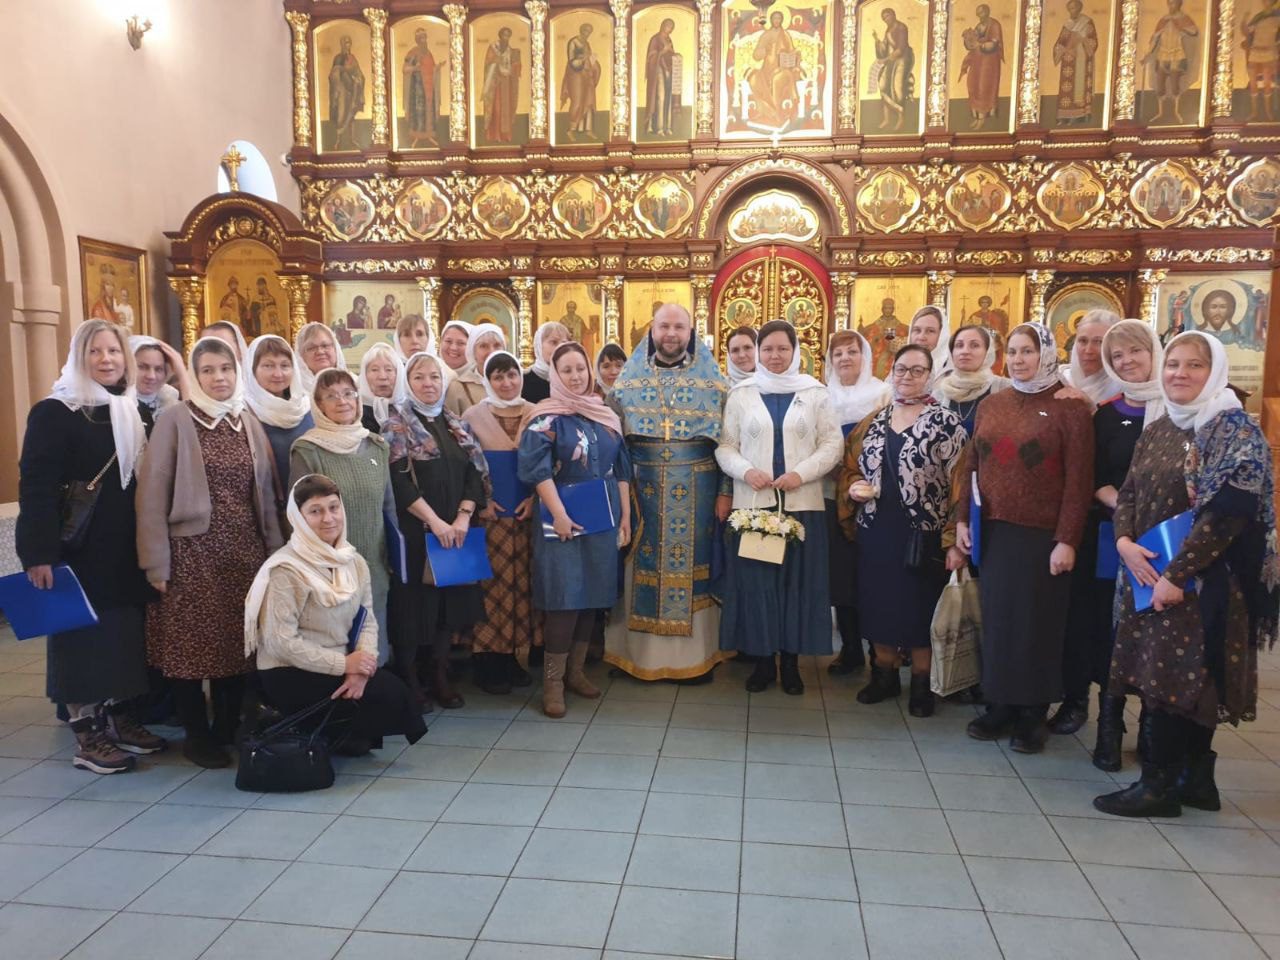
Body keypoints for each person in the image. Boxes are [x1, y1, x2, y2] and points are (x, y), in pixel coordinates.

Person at [1094, 332, 1276, 816]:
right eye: (1173, 363)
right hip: (1146, 572)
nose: (1179, 373)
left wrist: (1177, 576)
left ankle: (1160, 786)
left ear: (1214, 372)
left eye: (1194, 365)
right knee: (1161, 670)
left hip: (1203, 583)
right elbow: (1129, 491)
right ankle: (1192, 782)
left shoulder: (1234, 430)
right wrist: (1124, 542)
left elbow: (1228, 514)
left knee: (1187, 676)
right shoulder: (1161, 427)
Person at [18, 320, 165, 774]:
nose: (106, 359)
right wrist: (38, 554)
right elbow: (37, 486)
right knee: (79, 640)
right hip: (76, 549)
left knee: (122, 638)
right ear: (78, 357)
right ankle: (86, 735)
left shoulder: (132, 410)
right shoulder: (55, 412)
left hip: (123, 549)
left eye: (114, 351)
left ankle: (117, 719)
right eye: (95, 351)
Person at [136, 336, 284, 768]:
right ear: (195, 376)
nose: (219, 378)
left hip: (244, 553)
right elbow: (151, 497)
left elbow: (266, 495)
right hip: (191, 555)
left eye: (226, 369)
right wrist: (155, 563)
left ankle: (226, 728)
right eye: (208, 370)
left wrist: (275, 555)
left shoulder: (246, 420)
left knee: (236, 646)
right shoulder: (176, 420)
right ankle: (197, 736)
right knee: (190, 649)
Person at [956, 322, 1094, 753]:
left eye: (1027, 351)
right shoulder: (993, 404)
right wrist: (963, 521)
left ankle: (1032, 714)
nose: (1018, 360)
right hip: (993, 531)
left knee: (1036, 625)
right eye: (1013, 352)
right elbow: (972, 466)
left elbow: (1079, 481)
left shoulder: (1069, 407)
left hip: (1042, 536)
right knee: (998, 622)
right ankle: (1000, 705)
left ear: (1046, 354)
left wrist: (1067, 539)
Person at [247, 474, 427, 757]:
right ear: (298, 518)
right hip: (289, 670)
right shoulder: (285, 569)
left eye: (334, 507)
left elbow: (366, 619)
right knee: (389, 692)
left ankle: (335, 733)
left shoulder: (353, 561)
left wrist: (361, 667)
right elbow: (280, 642)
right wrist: (343, 665)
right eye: (315, 511)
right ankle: (313, 727)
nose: (328, 518)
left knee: (387, 693)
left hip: (340, 660)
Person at [841, 344, 969, 715]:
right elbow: (849, 466)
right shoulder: (873, 421)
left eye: (917, 370)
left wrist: (954, 541)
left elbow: (961, 484)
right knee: (878, 604)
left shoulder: (946, 423)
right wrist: (853, 486)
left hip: (923, 535)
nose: (907, 376)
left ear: (930, 375)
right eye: (901, 369)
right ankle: (883, 675)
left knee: (919, 610)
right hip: (876, 531)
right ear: (891, 372)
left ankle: (922, 684)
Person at [607, 304, 732, 682]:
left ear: (691, 332)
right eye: (664, 326)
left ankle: (696, 658)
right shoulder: (626, 383)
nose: (671, 333)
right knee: (638, 564)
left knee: (693, 569)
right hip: (640, 487)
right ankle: (637, 657)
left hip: (698, 487)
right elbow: (613, 442)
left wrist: (725, 491)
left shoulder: (715, 383)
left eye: (679, 326)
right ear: (653, 330)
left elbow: (729, 442)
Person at [717, 320, 842, 694]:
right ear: (758, 352)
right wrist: (746, 471)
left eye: (782, 348)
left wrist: (801, 474)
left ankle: (790, 664)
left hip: (802, 506)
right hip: (755, 506)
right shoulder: (741, 394)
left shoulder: (815, 393)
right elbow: (726, 445)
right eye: (767, 349)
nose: (774, 356)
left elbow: (832, 444)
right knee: (758, 585)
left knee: (797, 586)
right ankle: (761, 662)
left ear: (795, 351)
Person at [518, 342, 632, 716]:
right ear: (555, 374)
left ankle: (576, 673)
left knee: (592, 597)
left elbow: (621, 470)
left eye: (580, 368)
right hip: (561, 517)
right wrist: (559, 514)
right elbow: (536, 471)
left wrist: (625, 517)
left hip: (603, 515)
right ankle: (552, 684)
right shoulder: (545, 419)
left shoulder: (605, 415)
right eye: (566, 370)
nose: (575, 376)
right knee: (564, 599)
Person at [382, 352, 490, 711]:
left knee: (448, 607)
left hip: (456, 531)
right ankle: (411, 680)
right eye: (419, 377)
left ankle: (439, 674)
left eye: (434, 377)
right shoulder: (396, 424)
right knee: (415, 608)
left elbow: (474, 474)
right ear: (407, 382)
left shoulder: (456, 423)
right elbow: (397, 482)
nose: (428, 384)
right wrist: (436, 522)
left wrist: (462, 518)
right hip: (417, 533)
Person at [1081, 320, 1166, 770]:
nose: (1127, 361)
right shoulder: (1107, 413)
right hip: (1113, 536)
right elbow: (1094, 476)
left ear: (1154, 352)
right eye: (1117, 356)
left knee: (1157, 631)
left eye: (1135, 351)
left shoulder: (1178, 409)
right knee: (1110, 631)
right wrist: (1125, 509)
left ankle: (1152, 726)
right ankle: (1109, 727)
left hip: (1165, 538)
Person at [290, 369, 396, 667]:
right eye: (331, 396)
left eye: (349, 393)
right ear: (318, 405)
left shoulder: (376, 445)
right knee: (334, 649)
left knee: (372, 646)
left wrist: (392, 557)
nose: (342, 401)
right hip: (328, 568)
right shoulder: (308, 450)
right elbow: (299, 516)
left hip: (373, 563)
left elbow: (388, 507)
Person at [463, 351, 541, 693]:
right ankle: (487, 663)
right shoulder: (471, 416)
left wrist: (535, 499)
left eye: (512, 374)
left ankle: (511, 657)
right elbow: (464, 465)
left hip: (526, 519)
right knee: (490, 588)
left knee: (522, 587)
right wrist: (480, 503)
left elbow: (549, 463)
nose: (506, 382)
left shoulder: (537, 414)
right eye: (498, 376)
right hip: (489, 520)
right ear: (488, 380)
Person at [824, 331, 890, 676]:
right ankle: (850, 649)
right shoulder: (822, 396)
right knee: (842, 574)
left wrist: (862, 479)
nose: (845, 358)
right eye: (838, 353)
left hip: (874, 496)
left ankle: (880, 651)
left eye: (852, 351)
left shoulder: (882, 393)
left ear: (865, 356)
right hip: (831, 493)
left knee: (874, 573)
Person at [243, 334, 314, 488]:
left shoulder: (307, 407)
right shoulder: (243, 413)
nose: (278, 374)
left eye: (285, 365)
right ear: (252, 369)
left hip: (308, 496)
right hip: (266, 498)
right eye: (268, 366)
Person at [932, 324, 1010, 435]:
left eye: (974, 345)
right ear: (951, 352)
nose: (965, 351)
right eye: (959, 345)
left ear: (988, 351)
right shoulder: (939, 395)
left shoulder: (1004, 388)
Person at [1059, 308, 1121, 406]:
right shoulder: (1057, 380)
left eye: (1099, 342)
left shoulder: (1122, 390)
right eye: (1083, 341)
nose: (1088, 350)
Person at [1053, 0, 1100, 125]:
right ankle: (1064, 115)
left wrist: (1082, 40)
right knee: (1067, 88)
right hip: (1068, 61)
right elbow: (1060, 41)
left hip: (1081, 59)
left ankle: (1081, 114)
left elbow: (1093, 41)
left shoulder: (1087, 22)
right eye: (1070, 9)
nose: (1071, 11)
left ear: (1079, 8)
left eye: (1073, 8)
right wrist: (1062, 49)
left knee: (1080, 87)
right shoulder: (1067, 24)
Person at [445, 323, 506, 416]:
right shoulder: (458, 388)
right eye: (483, 346)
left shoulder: (516, 382)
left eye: (497, 345)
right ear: (473, 351)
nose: (491, 351)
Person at [130, 335, 185, 431]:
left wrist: (182, 374)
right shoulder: (115, 405)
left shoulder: (170, 402)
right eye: (143, 367)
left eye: (158, 369)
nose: (151, 376)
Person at [358, 341, 407, 432]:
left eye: (389, 369)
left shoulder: (412, 408)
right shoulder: (355, 412)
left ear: (399, 374)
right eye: (374, 370)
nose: (382, 376)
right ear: (364, 375)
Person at [522, 321, 570, 403]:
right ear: (539, 345)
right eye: (554, 342)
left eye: (564, 343)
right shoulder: (523, 381)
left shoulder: (571, 378)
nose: (559, 347)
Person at [295, 321, 348, 393]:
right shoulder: (293, 392)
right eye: (311, 348)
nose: (320, 352)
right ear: (301, 356)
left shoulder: (355, 385)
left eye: (325, 345)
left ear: (336, 349)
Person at [909, 305, 952, 381]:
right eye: (917, 330)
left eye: (930, 331)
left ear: (942, 335)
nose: (921, 337)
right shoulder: (899, 366)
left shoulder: (952, 373)